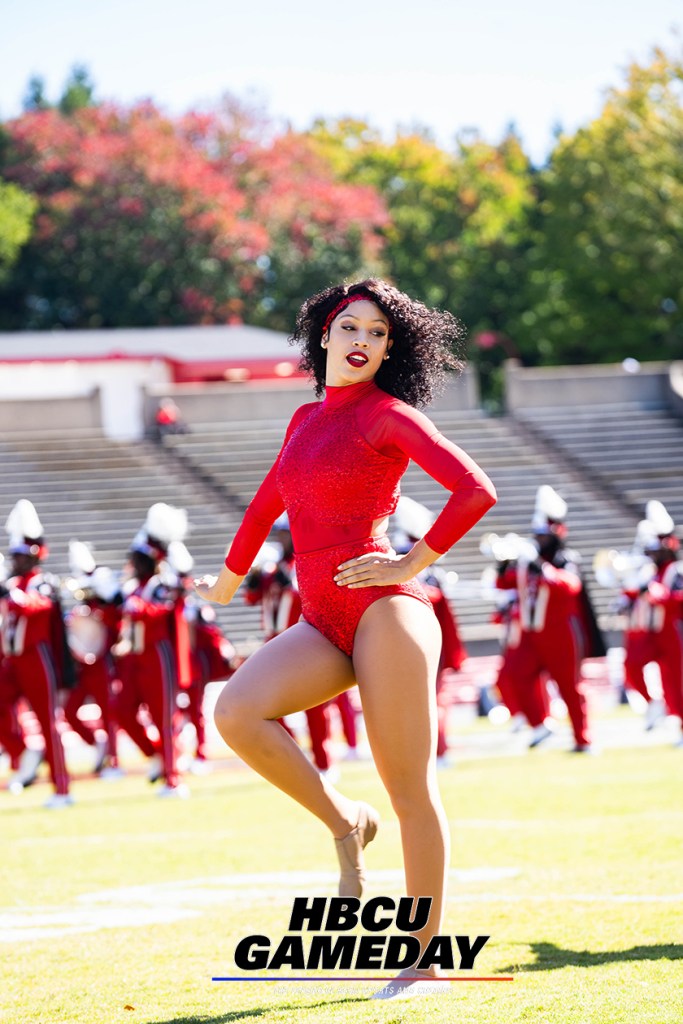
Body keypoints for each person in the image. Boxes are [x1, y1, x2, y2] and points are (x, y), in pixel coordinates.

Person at [195, 279, 497, 999]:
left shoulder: (387, 415)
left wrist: (409, 561)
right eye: (349, 327)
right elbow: (268, 500)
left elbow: (474, 488)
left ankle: (421, 962)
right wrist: (227, 584)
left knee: (410, 789)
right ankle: (344, 821)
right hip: (320, 621)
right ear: (322, 337)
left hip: (384, 611)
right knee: (236, 713)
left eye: (378, 334)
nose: (362, 341)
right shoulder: (304, 419)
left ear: (390, 350)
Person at [114, 503, 192, 797]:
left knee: (164, 717)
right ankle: (159, 756)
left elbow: (163, 609)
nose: (133, 563)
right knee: (121, 710)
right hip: (134, 657)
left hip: (158, 656)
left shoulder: (160, 583)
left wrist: (139, 608)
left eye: (138, 558)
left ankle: (174, 779)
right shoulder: (133, 587)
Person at [0, 500, 74, 807]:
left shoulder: (44, 582)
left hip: (37, 658)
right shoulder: (13, 583)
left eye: (20, 556)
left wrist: (10, 594)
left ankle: (62, 788)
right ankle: (23, 752)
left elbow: (36, 607)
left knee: (47, 722)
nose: (15, 561)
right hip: (12, 659)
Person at [62, 540, 122, 775]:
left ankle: (113, 762)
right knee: (69, 711)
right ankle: (98, 744)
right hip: (83, 668)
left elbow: (114, 624)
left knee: (109, 714)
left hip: (103, 665)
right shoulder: (81, 609)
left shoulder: (106, 603)